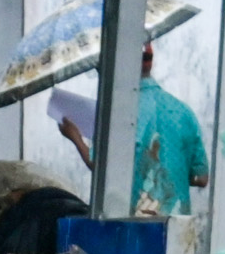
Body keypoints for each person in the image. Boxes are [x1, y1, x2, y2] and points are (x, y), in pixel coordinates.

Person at [54, 37, 210, 216]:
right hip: (176, 228)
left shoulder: (117, 113)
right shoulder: (184, 112)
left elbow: (99, 166)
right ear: (150, 62)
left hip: (133, 223)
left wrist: (75, 137)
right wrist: (170, 171)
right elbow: (201, 178)